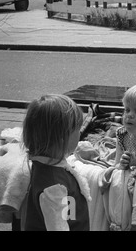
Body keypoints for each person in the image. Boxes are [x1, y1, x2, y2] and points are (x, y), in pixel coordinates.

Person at [22, 94, 90, 231]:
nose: (80, 133)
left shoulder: (43, 166)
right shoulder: (54, 187)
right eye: (77, 129)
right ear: (62, 137)